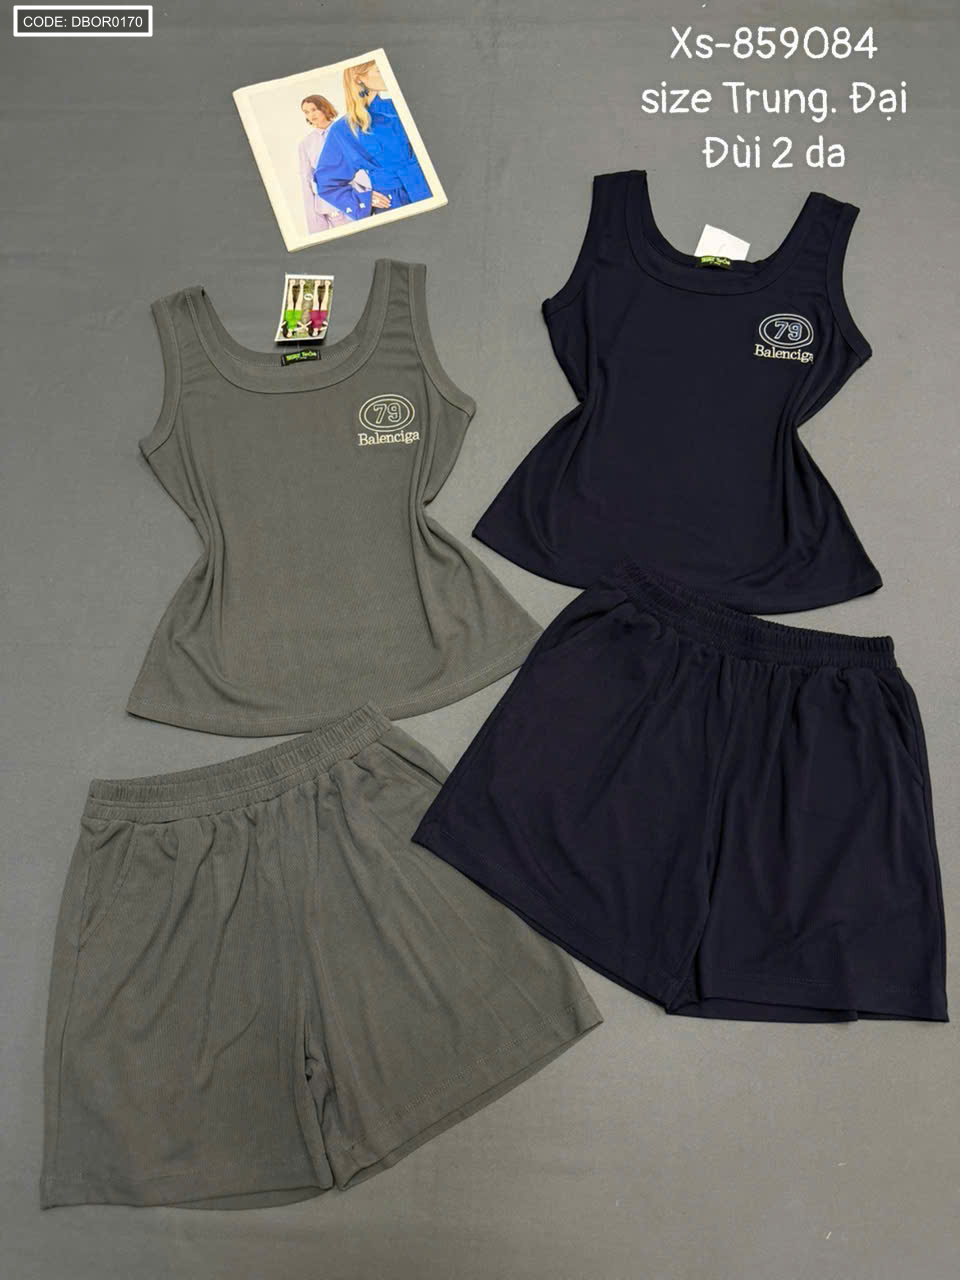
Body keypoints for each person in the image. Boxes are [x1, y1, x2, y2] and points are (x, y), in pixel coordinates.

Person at [312, 61, 431, 220]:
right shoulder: (344, 129)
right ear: (359, 78)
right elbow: (327, 183)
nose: (389, 73)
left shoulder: (404, 106)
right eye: (379, 70)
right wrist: (363, 200)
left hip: (431, 188)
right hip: (393, 203)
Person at [297, 94, 351, 233]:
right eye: (306, 112)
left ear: (324, 108)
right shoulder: (306, 144)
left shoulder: (346, 130)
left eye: (314, 109)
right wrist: (315, 225)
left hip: (357, 197)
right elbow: (306, 180)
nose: (311, 115)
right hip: (331, 207)